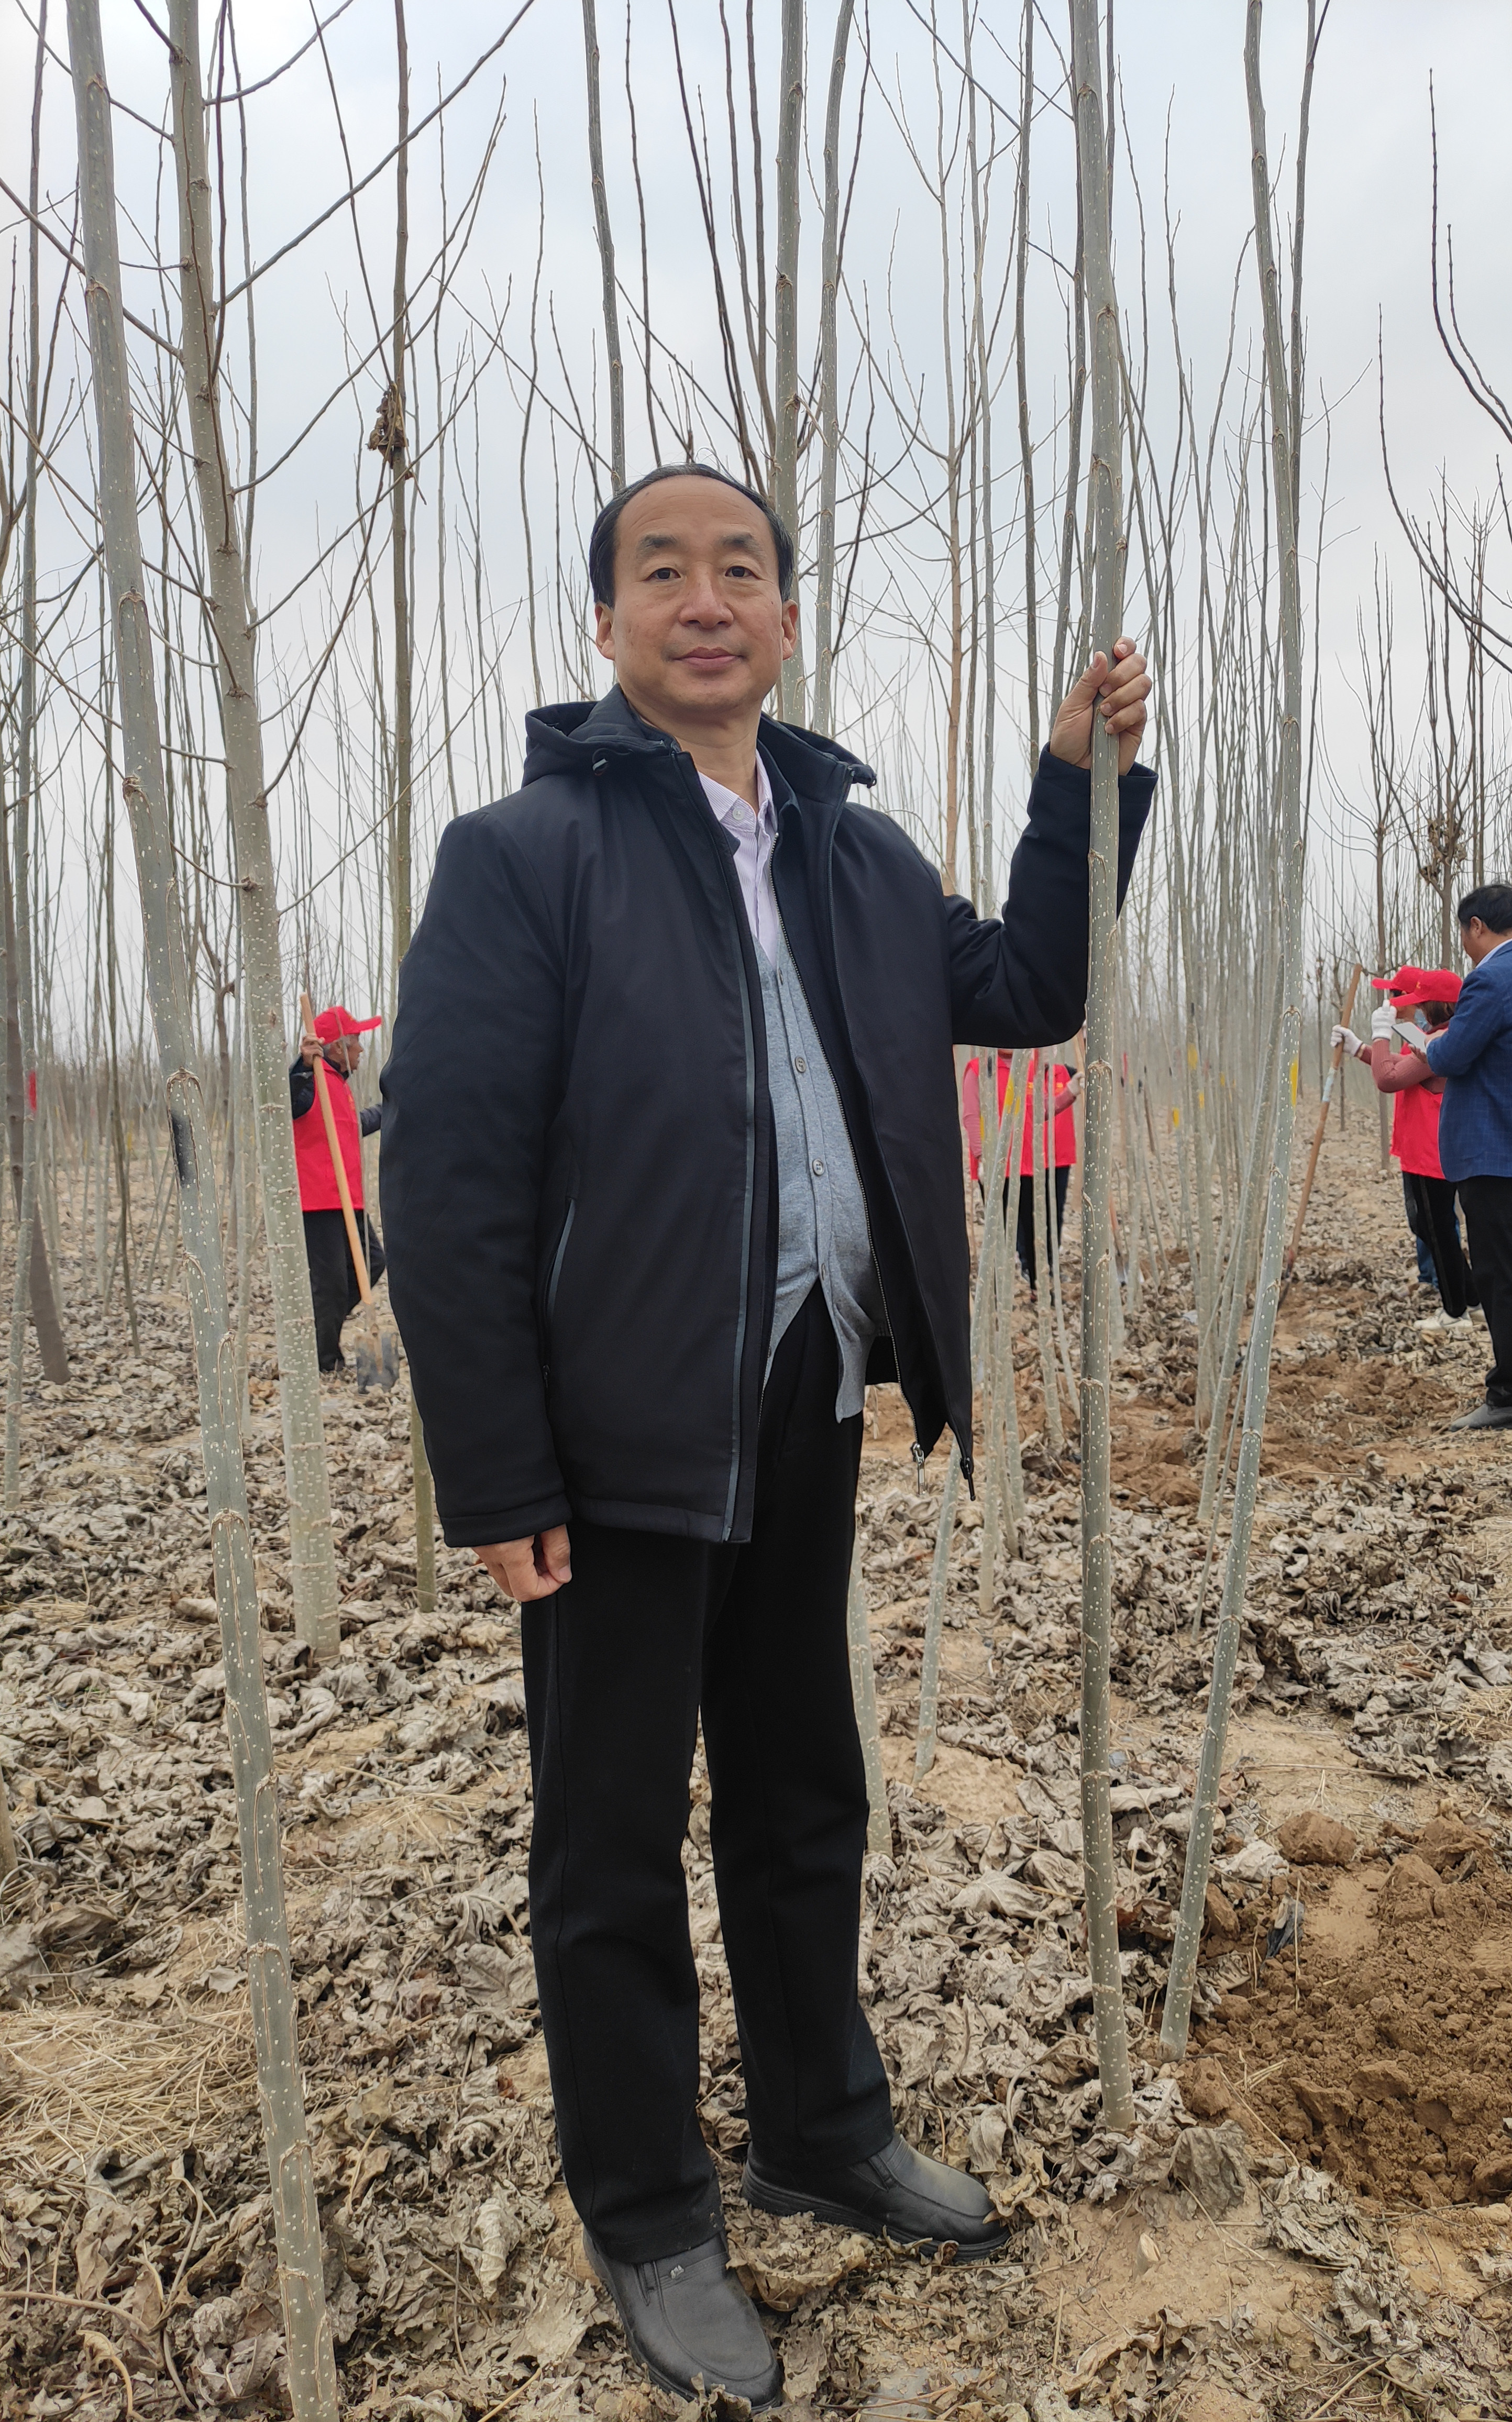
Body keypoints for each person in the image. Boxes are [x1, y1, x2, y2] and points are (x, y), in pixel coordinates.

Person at [380, 462, 1153, 2409]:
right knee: (610, 1843)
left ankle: (821, 2118)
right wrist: (493, 1468)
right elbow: (454, 1185)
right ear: (606, 621)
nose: (703, 599)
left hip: (810, 1396)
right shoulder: (524, 856)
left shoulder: (854, 857)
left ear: (786, 616)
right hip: (618, 1441)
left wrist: (1075, 787)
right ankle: (647, 2206)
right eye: (662, 571)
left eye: (740, 568)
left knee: (806, 1792)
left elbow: (1029, 989)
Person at [1401, 883, 1512, 1432]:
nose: (1463, 945)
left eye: (1463, 932)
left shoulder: (1490, 980)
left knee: (1503, 1274)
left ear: (1477, 925)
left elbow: (1451, 1055)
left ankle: (1511, 1393)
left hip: (1493, 1153)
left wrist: (1416, 1039)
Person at [1332, 966, 1474, 1331]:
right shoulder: (1438, 1038)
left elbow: (1388, 1078)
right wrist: (1362, 1048)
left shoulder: (1443, 1041)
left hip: (1432, 1152)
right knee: (1428, 1225)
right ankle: (1473, 1298)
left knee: (1436, 1226)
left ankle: (1456, 1311)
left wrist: (1380, 1036)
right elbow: (1402, 1066)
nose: (1409, 1007)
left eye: (1419, 1003)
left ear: (1437, 1007)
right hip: (1423, 1149)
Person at [290, 1007, 384, 1375]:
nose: (362, 1048)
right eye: (357, 1041)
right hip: (320, 1202)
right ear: (337, 1048)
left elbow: (353, 1126)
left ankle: (319, 1329)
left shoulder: (338, 1086)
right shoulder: (311, 1079)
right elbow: (287, 1101)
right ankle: (324, 1361)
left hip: (350, 1199)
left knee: (374, 1262)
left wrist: (393, 1109)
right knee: (330, 1287)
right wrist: (301, 1064)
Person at [961, 1049, 1079, 1291]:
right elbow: (973, 1115)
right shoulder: (979, 1069)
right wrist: (982, 1156)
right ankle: (997, 1293)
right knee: (1001, 1230)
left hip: (1027, 1164)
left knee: (1035, 1226)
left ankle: (1039, 1286)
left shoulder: (1029, 1067)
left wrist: (1070, 1093)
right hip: (995, 1165)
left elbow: (1039, 1110)